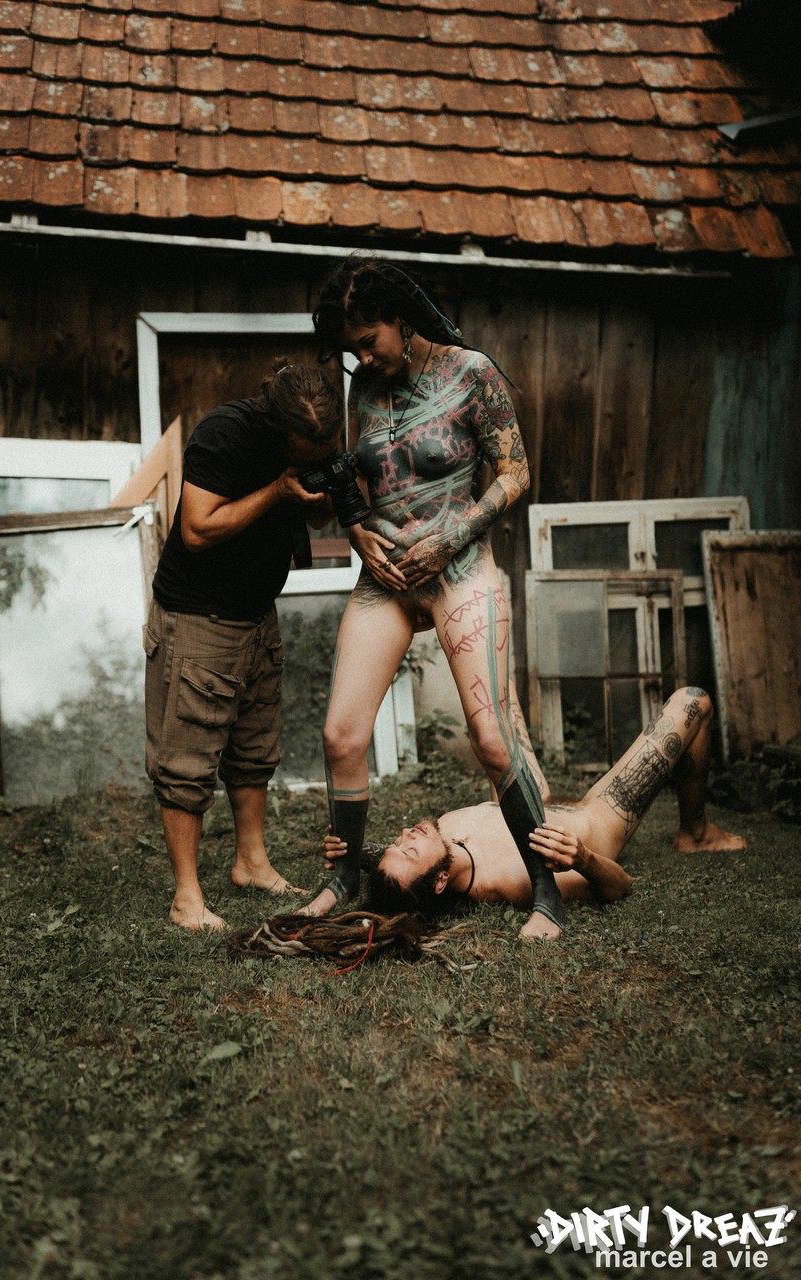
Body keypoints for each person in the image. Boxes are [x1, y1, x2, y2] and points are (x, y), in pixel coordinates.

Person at [305, 256, 561, 935]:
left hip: (460, 567)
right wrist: (356, 532)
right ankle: (341, 879)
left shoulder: (471, 373)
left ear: (401, 318)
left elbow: (514, 473)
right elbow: (352, 478)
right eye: (351, 349)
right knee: (340, 734)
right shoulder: (363, 387)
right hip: (386, 579)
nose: (362, 358)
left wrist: (450, 539)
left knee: (492, 738)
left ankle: (547, 893)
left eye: (369, 341)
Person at [145, 363, 344, 931]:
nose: (313, 458)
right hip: (198, 616)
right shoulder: (224, 433)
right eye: (304, 453)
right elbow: (196, 529)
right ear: (279, 433)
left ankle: (251, 863)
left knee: (255, 748)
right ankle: (187, 897)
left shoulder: (313, 441)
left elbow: (314, 512)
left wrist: (320, 493)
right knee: (186, 761)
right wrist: (277, 490)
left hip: (257, 614)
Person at [322, 686, 746, 939]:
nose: (406, 835)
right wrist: (583, 857)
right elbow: (619, 887)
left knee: (490, 684)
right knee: (693, 701)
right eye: (410, 849)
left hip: (526, 796)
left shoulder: (438, 849)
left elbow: (390, 865)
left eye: (397, 843)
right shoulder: (511, 879)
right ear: (440, 881)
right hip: (597, 817)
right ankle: (695, 833)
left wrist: (351, 851)